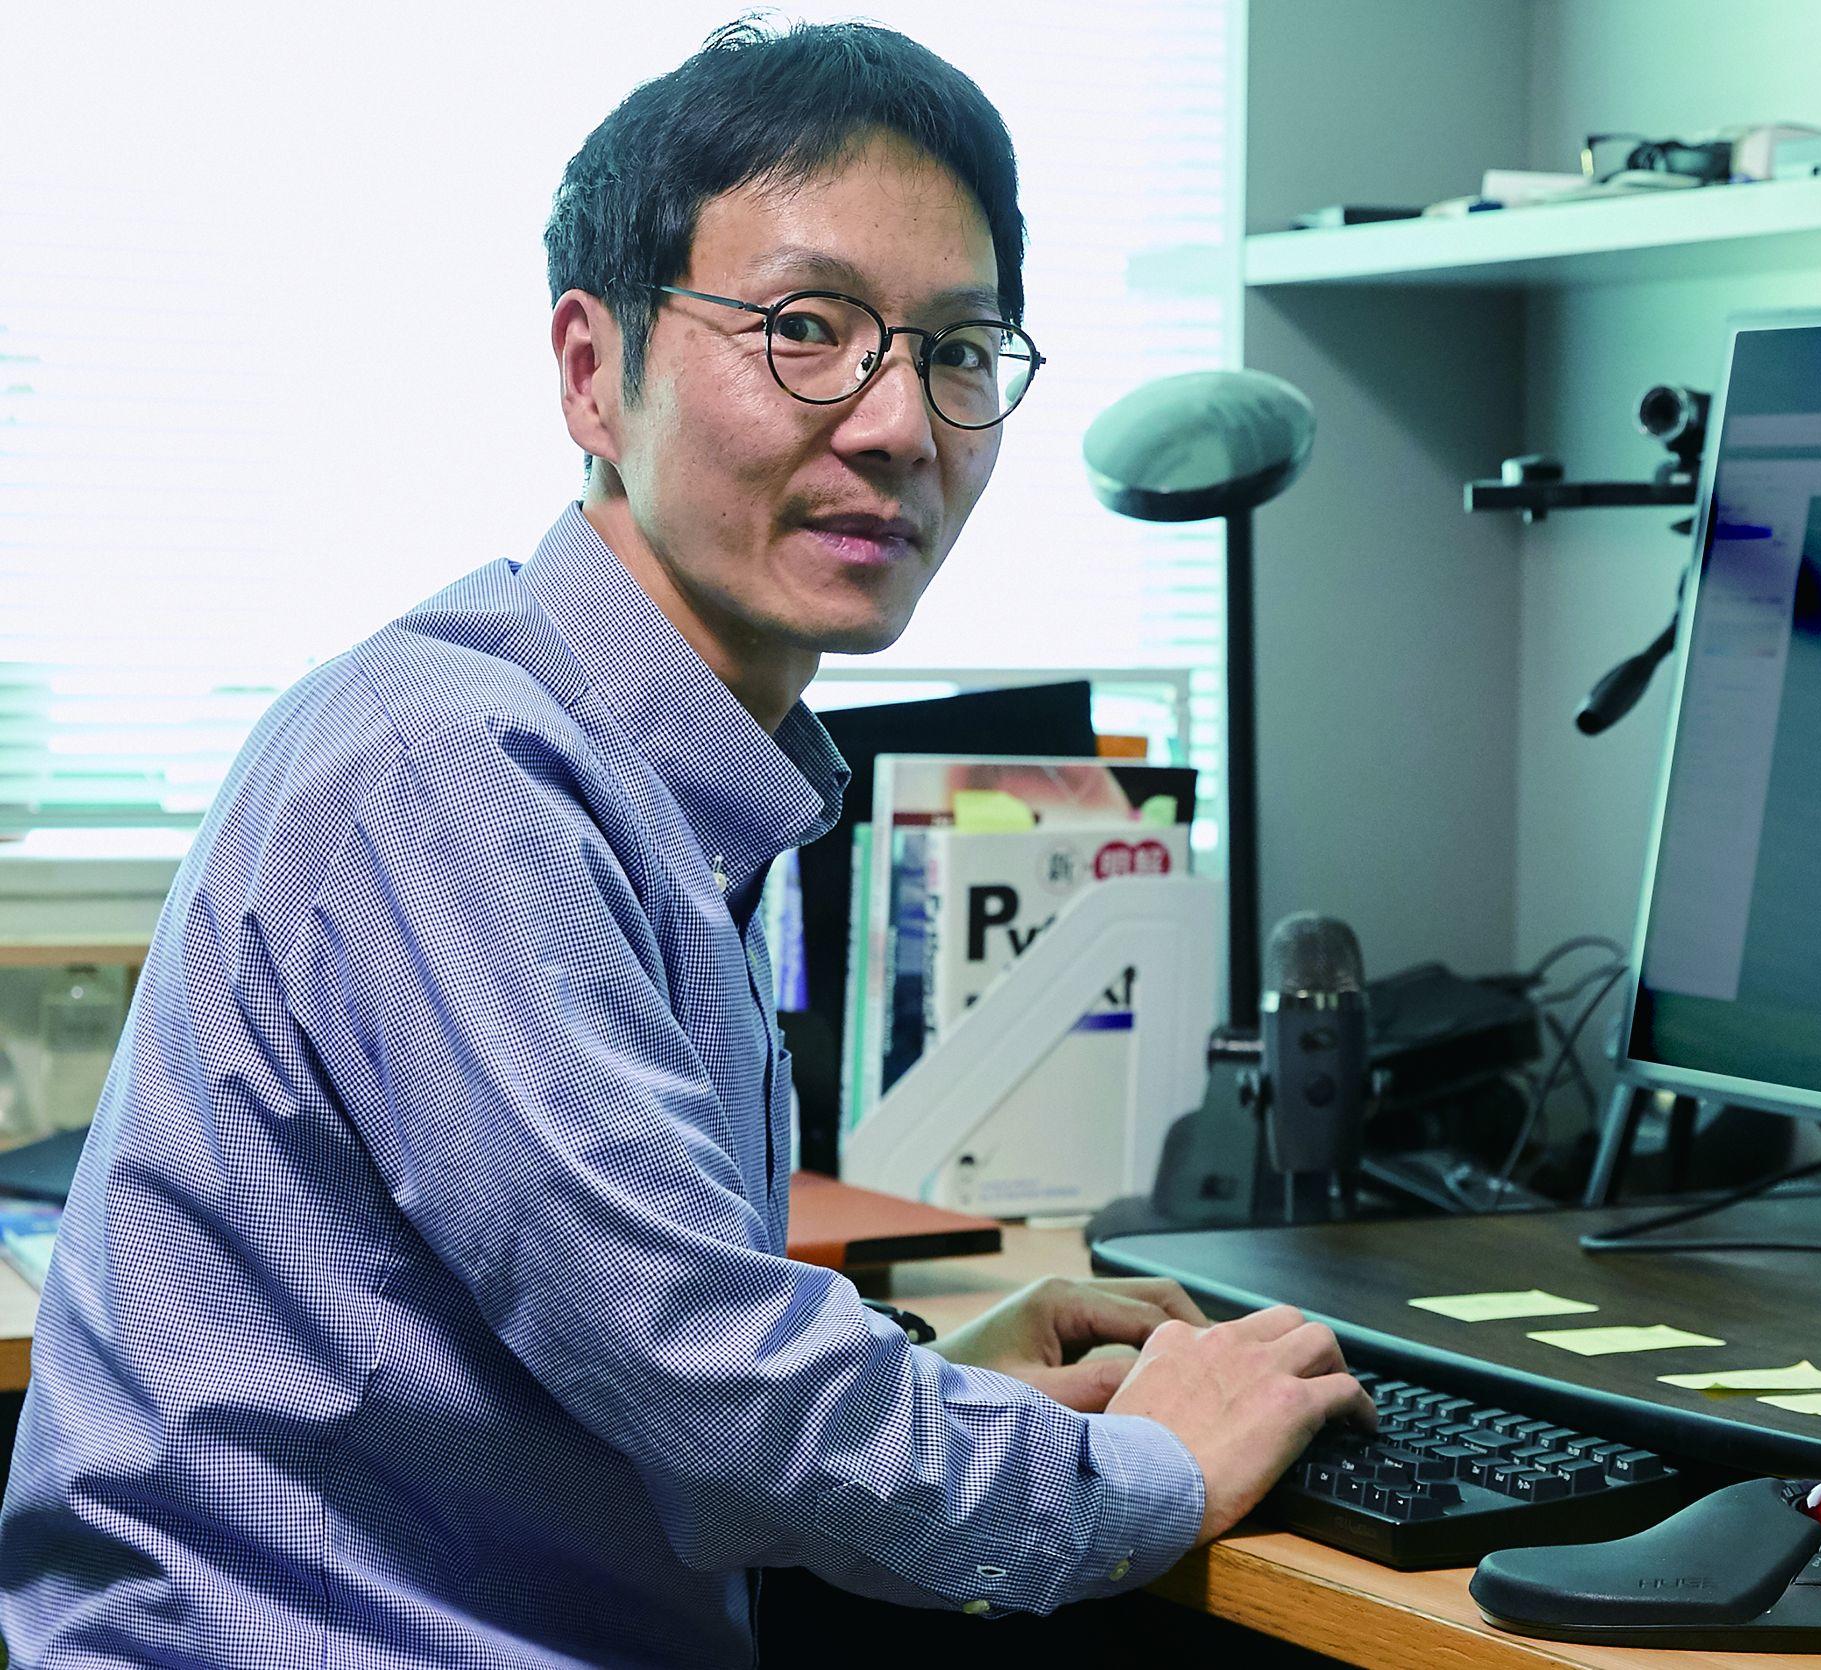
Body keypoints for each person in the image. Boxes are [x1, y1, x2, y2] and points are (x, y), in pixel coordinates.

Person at [0, 19, 1370, 1666]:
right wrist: (1156, 1459)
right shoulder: (459, 768)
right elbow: (720, 1392)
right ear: (593, 369)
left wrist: (932, 1376)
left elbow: (643, 1363)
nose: (899, 424)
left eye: (957, 349)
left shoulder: (654, 780)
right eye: (806, 327)